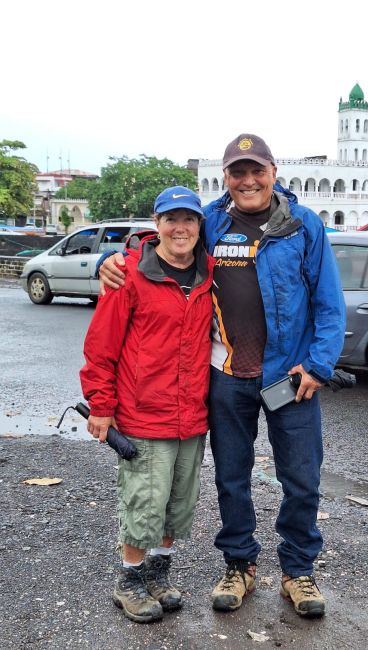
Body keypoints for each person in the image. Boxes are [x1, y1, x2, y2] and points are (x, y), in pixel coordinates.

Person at [98, 134, 345, 619]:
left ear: (274, 171)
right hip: (227, 375)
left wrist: (318, 364)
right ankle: (239, 565)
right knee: (232, 478)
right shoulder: (212, 221)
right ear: (226, 178)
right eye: (238, 171)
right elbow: (168, 238)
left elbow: (329, 303)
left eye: (257, 170)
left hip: (290, 378)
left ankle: (297, 571)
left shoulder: (303, 226)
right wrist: (120, 258)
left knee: (302, 479)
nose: (248, 180)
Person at [80, 186, 214, 624]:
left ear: (199, 226)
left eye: (189, 219)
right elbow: (101, 347)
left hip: (191, 415)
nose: (180, 228)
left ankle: (158, 574)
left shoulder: (209, 273)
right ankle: (128, 580)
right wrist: (100, 406)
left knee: (177, 505)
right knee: (144, 503)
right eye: (171, 219)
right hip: (143, 413)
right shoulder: (128, 275)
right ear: (155, 226)